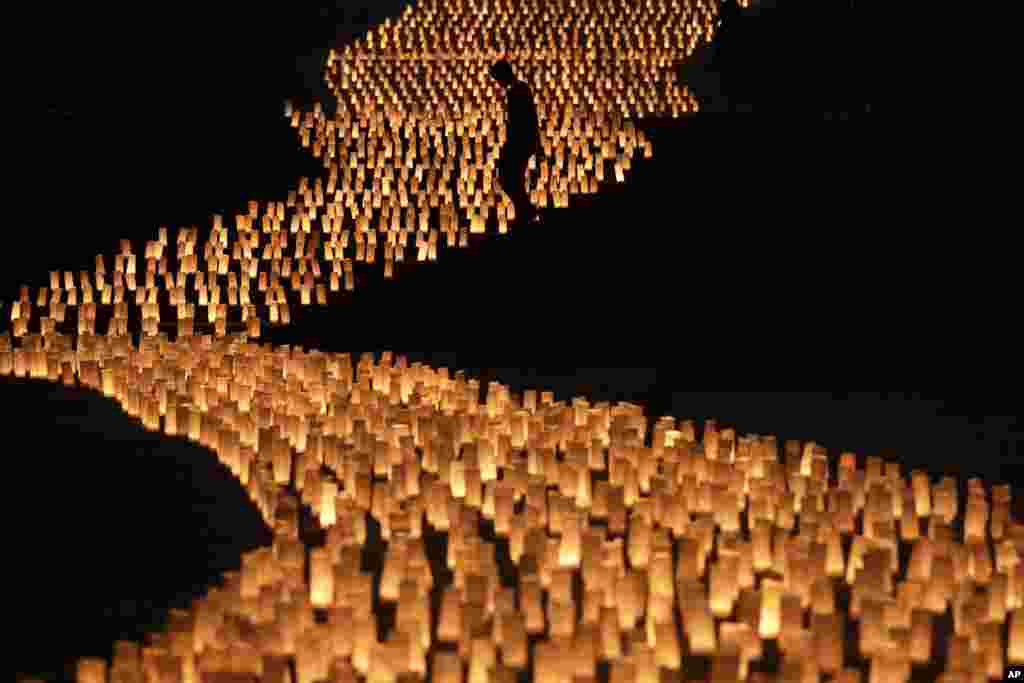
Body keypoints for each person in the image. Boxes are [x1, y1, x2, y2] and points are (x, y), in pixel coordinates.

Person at [490, 60, 541, 225]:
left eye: (498, 79)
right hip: (523, 142)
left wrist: (511, 145)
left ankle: (527, 212)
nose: (498, 83)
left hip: (520, 143)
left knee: (510, 179)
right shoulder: (520, 88)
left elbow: (521, 121)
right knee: (512, 180)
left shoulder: (516, 91)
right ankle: (525, 212)